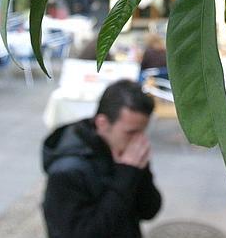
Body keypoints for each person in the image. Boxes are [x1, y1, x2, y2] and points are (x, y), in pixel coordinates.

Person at [42, 80, 161, 238]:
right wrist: (126, 175)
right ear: (102, 123)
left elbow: (149, 210)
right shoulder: (67, 171)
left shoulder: (124, 152)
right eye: (131, 132)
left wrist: (141, 170)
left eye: (142, 131)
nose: (139, 140)